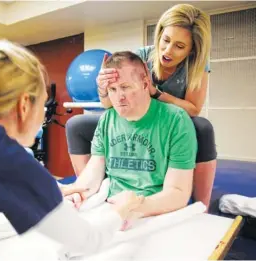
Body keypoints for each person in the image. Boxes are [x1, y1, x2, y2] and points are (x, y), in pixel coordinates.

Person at [0, 40, 144, 260]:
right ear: (24, 106)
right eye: (42, 104)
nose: (42, 116)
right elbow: (90, 240)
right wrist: (123, 208)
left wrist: (47, 190)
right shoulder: (1, 154)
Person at [66, 4, 216, 209]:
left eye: (179, 46)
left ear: (192, 50)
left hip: (168, 119)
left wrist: (155, 93)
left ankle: (202, 205)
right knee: (77, 124)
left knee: (203, 127)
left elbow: (193, 108)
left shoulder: (197, 66)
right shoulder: (143, 56)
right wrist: (103, 87)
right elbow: (109, 104)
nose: (168, 50)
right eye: (166, 40)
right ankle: (88, 190)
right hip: (134, 116)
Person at [66, 51, 197, 229]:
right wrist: (78, 192)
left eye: (126, 87)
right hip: (110, 207)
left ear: (145, 84)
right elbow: (93, 171)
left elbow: (178, 192)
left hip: (155, 210)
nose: (119, 97)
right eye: (112, 89)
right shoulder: (107, 119)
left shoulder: (176, 120)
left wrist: (138, 205)